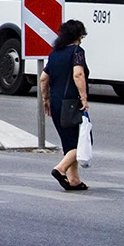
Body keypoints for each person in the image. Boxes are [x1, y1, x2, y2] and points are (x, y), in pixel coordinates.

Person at [39, 19, 90, 191]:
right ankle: (60, 169)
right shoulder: (77, 51)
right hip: (72, 102)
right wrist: (83, 98)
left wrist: (46, 99)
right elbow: (78, 74)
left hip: (55, 102)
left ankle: (74, 180)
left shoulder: (55, 53)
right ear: (78, 35)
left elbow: (43, 78)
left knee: (69, 143)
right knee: (83, 140)